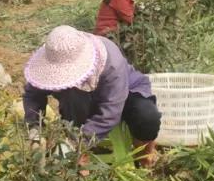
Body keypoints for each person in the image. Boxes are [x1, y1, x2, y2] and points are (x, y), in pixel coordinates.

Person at [23, 25, 162, 167]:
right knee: (71, 97)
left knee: (147, 117)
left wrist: (75, 144)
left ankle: (144, 160)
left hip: (125, 92)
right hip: (79, 99)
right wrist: (35, 131)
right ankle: (78, 164)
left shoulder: (111, 62)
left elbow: (110, 113)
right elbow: (33, 94)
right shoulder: (55, 56)